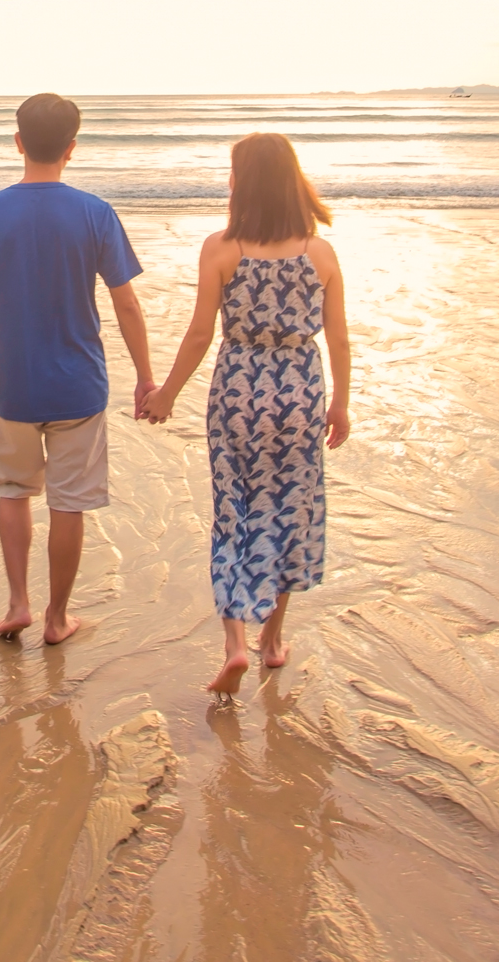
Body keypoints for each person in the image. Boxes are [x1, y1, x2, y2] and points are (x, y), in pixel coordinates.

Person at [142, 133, 351, 695]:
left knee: (234, 508)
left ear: (243, 182)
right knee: (289, 509)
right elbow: (339, 341)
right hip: (300, 392)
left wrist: (166, 393)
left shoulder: (221, 248)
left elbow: (198, 335)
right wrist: (341, 404)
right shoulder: (321, 253)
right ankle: (273, 641)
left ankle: (235, 642)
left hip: (238, 390)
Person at [0, 92, 154, 647]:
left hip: (14, 385)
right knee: (69, 502)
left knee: (13, 492)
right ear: (72, 148)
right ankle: (57, 618)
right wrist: (145, 375)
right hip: (78, 386)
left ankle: (18, 603)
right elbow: (126, 302)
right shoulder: (95, 212)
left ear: (18, 143)